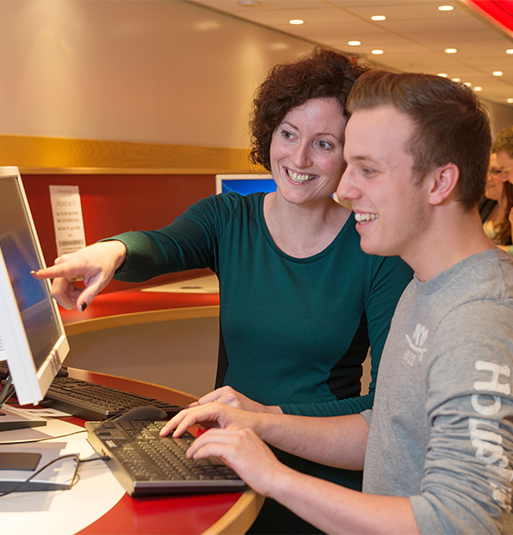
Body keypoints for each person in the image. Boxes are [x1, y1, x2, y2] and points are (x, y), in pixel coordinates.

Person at [33, 48, 412, 533]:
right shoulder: (228, 218)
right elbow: (159, 246)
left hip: (316, 475)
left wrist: (261, 415)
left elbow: (379, 413)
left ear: (350, 154)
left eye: (324, 144)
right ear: (268, 135)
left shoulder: (376, 250)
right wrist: (109, 252)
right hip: (224, 462)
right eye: (288, 135)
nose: (298, 158)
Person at [160, 70, 513, 534]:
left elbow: (460, 522)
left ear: (439, 182)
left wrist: (276, 479)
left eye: (368, 170)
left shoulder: (478, 319)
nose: (345, 189)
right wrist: (258, 423)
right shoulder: (425, 285)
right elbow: (382, 429)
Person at [480, 152, 513, 259]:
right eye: (486, 170)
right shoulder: (485, 203)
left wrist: (485, 248)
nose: (486, 178)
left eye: (494, 172)